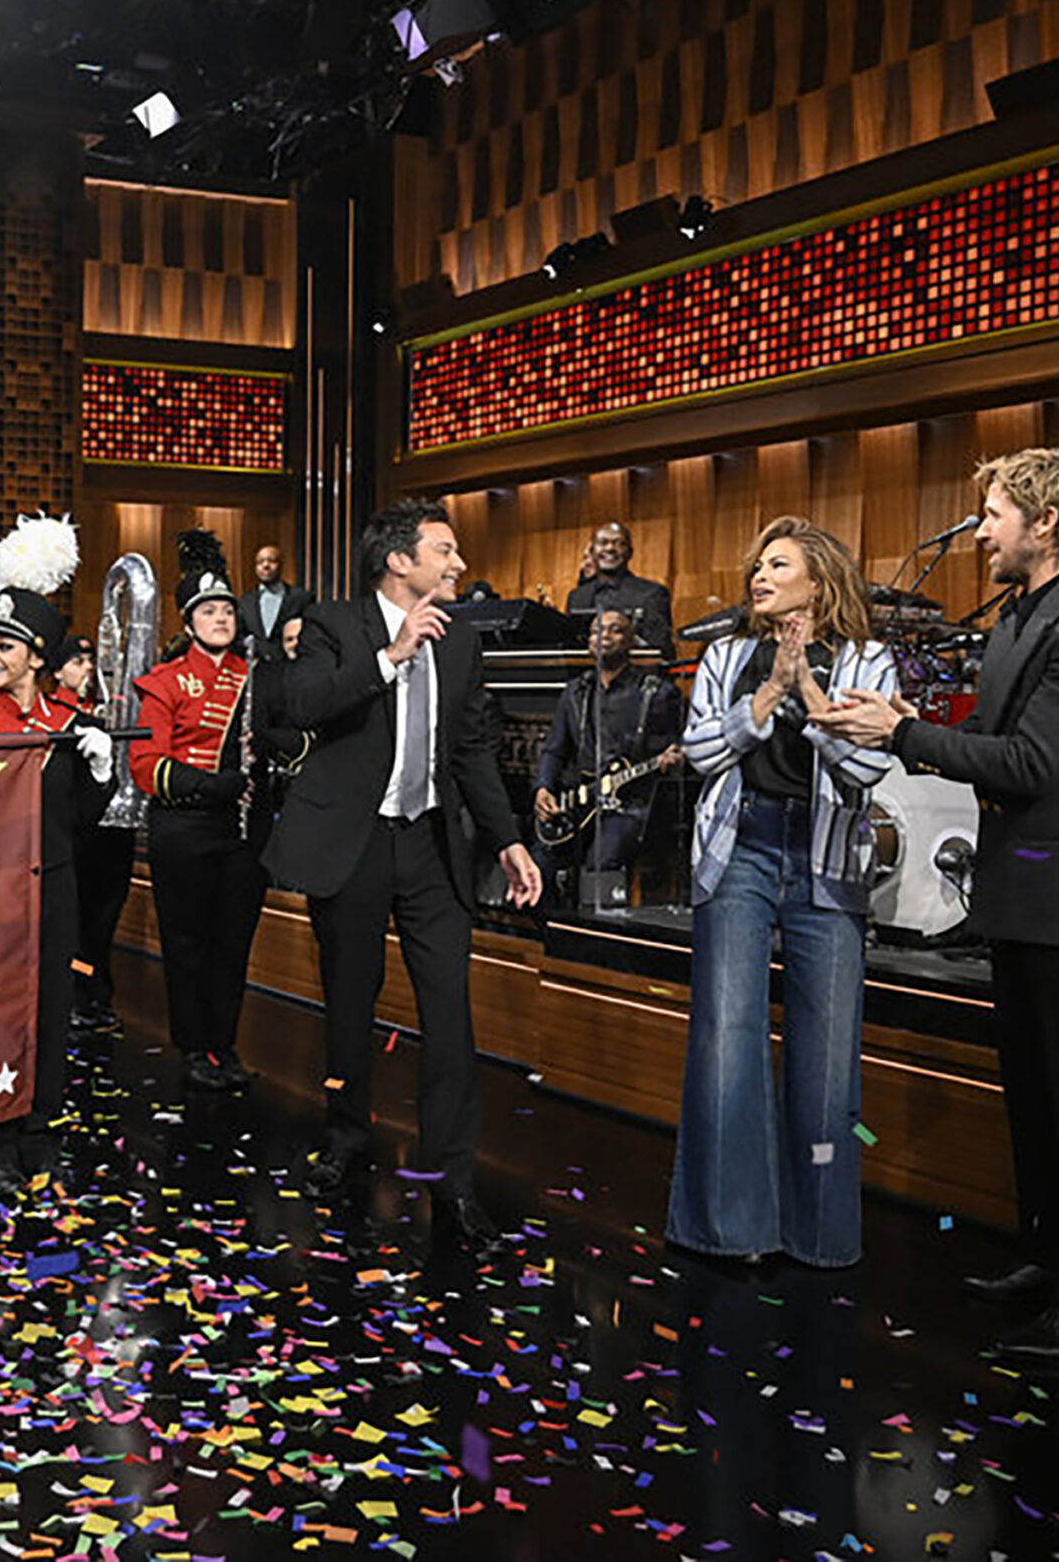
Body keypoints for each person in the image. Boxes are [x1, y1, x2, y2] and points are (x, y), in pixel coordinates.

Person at [817, 448, 1059, 1362]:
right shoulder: (1021, 615)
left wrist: (904, 733)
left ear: (1047, 522)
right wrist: (883, 728)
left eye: (995, 514)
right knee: (1036, 1104)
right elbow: (985, 737)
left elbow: (1031, 764)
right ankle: (1049, 1260)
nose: (979, 532)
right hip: (1022, 895)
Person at [264, 499, 543, 1245]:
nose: (459, 564)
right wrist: (390, 657)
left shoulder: (461, 641)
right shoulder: (332, 625)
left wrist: (508, 840)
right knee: (350, 1004)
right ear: (399, 561)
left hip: (429, 845)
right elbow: (303, 704)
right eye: (444, 550)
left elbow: (472, 750)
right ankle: (346, 1138)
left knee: (449, 1014)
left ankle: (453, 1180)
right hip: (352, 845)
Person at [666, 518, 898, 1271]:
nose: (759, 577)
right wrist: (767, 693)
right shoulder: (728, 655)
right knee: (727, 1038)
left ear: (818, 583)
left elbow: (866, 769)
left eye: (778, 565)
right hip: (740, 849)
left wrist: (807, 689)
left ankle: (819, 1235)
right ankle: (728, 1230)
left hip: (825, 858)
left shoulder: (868, 659)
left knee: (827, 1058)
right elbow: (701, 751)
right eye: (758, 566)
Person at [0, 514, 113, 1189]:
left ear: (36, 656)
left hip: (53, 885)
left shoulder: (70, 726)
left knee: (50, 1008)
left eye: (3, 646)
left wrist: (99, 770)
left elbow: (81, 821)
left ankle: (38, 1128)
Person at [134, 531, 270, 1094]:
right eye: (208, 611)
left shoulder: (257, 673)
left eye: (227, 610)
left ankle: (225, 1044)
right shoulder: (163, 681)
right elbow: (147, 766)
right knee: (187, 945)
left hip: (242, 829)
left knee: (232, 944)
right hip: (185, 826)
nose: (221, 619)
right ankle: (193, 1047)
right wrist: (210, 785)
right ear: (188, 623)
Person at [533, 607, 684, 907]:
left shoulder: (656, 693)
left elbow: (678, 749)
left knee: (599, 863)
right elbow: (555, 749)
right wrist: (543, 788)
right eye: (595, 631)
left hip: (631, 805)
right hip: (583, 800)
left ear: (631, 641)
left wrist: (671, 760)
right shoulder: (575, 692)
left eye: (615, 630)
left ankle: (595, 931)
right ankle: (548, 931)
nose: (603, 636)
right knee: (539, 863)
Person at [55, 634, 134, 1037]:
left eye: (89, 661)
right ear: (56, 671)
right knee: (79, 922)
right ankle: (77, 996)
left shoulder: (110, 707)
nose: (87, 668)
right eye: (76, 662)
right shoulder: (57, 715)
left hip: (114, 831)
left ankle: (98, 994)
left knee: (104, 921)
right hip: (79, 831)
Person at [565, 521, 674, 652]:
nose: (609, 548)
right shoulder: (576, 597)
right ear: (592, 552)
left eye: (618, 543)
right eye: (603, 543)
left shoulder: (652, 594)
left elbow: (661, 649)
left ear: (630, 553)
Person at [237, 544, 313, 655]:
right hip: (257, 662)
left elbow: (310, 633)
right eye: (260, 562)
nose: (265, 565)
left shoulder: (300, 598)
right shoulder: (245, 601)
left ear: (281, 565)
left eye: (271, 561)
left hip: (290, 662)